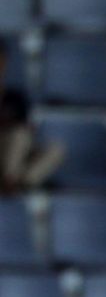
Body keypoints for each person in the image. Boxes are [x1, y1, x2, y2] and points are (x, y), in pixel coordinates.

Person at [0, 42, 62, 193]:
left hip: (15, 152)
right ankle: (11, 181)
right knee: (18, 136)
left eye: (2, 62)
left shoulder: (15, 96)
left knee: (56, 149)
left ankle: (19, 182)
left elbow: (26, 125)